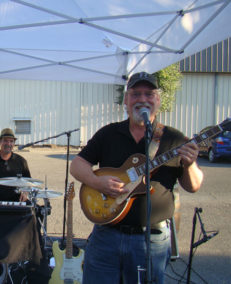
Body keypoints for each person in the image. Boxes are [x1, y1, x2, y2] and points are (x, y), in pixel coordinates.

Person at [70, 72, 203, 284]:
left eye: (149, 94)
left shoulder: (174, 138)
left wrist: (189, 164)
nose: (142, 99)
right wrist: (97, 182)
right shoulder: (109, 133)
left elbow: (193, 185)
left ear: (158, 100)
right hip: (106, 235)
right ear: (126, 100)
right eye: (135, 94)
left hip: (151, 240)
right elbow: (77, 165)